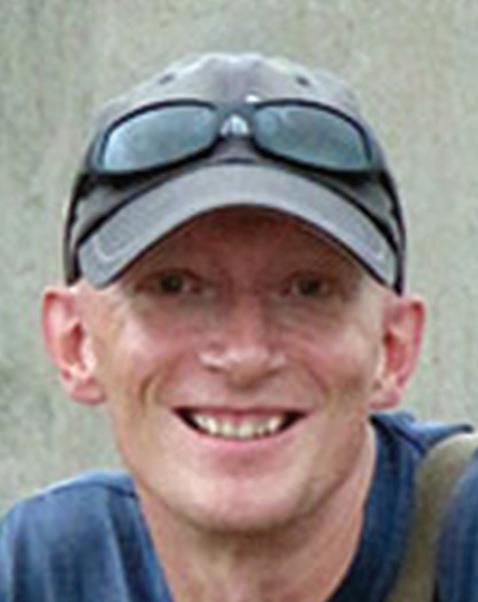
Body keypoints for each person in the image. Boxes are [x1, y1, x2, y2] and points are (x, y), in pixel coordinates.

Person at [0, 52, 471, 602]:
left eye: (307, 289)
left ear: (394, 348)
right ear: (76, 342)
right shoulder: (44, 571)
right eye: (174, 287)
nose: (245, 355)